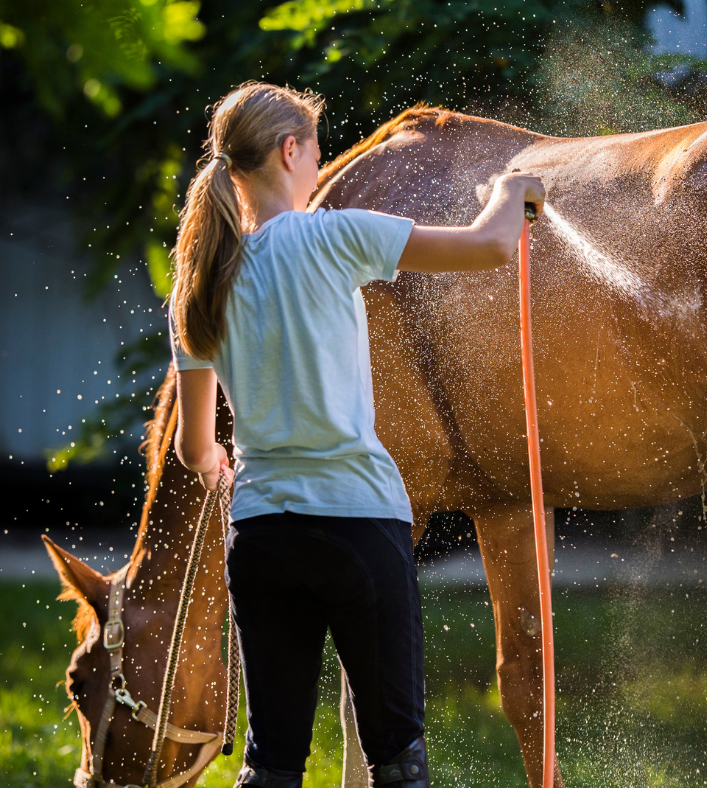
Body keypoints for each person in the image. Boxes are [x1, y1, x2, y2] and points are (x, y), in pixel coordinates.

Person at [169, 82, 544, 788]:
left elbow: (197, 451)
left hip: (263, 535)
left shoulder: (200, 282)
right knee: (395, 758)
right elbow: (490, 246)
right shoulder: (336, 234)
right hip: (358, 524)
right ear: (290, 151)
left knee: (272, 763)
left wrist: (221, 460)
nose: (319, 164)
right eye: (315, 149)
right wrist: (513, 189)